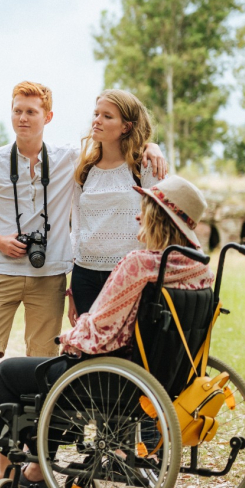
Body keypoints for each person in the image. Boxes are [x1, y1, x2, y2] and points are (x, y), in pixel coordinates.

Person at [0, 81, 167, 479]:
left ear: (48, 117)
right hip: (24, 270)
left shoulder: (71, 160)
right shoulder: (8, 162)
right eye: (17, 110)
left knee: (49, 365)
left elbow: (142, 180)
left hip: (65, 274)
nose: (23, 117)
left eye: (32, 111)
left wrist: (152, 146)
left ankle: (47, 457)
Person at [0, 175, 214, 488]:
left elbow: (99, 329)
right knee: (51, 375)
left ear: (158, 217)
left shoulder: (139, 264)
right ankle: (37, 472)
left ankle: (6, 472)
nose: (137, 215)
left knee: (12, 373)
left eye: (144, 208)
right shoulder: (199, 269)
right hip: (168, 379)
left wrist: (72, 334)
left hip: (115, 380)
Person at [68, 89, 160, 325]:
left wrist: (153, 146)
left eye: (107, 116)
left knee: (126, 353)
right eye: (96, 113)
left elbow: (161, 224)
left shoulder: (144, 167)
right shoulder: (84, 170)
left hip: (130, 275)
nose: (97, 120)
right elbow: (77, 228)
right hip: (84, 275)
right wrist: (72, 287)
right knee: (90, 352)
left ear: (126, 127)